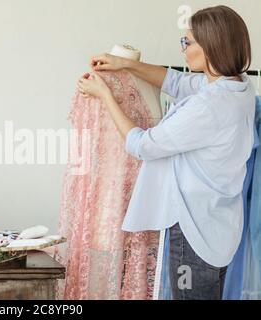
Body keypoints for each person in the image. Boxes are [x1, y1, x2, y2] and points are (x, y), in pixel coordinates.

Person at [77, 5, 255, 300]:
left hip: (194, 235)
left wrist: (105, 96)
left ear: (211, 47)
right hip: (221, 229)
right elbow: (177, 82)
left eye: (188, 42)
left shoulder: (208, 107)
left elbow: (143, 145)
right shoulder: (237, 88)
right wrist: (126, 64)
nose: (183, 49)